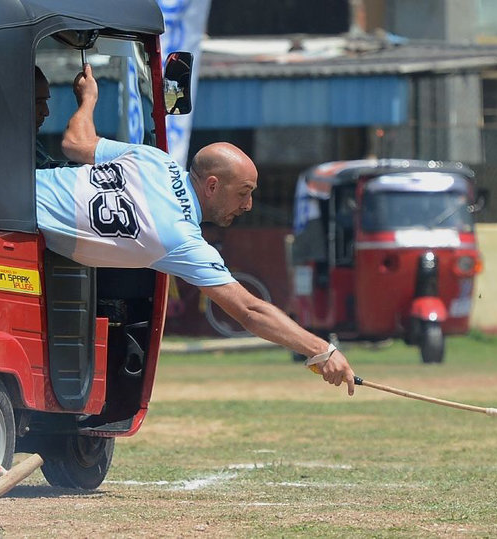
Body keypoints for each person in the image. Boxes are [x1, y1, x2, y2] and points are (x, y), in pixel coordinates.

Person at [35, 65, 356, 395]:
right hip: (13, 221)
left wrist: (88, 100)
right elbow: (249, 310)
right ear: (213, 185)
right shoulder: (181, 238)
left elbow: (75, 143)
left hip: (8, 197)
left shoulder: (154, 159)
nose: (247, 206)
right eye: (244, 193)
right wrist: (322, 349)